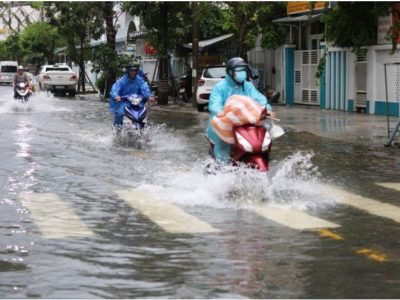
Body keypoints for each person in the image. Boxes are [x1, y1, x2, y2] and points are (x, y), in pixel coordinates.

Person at [207, 57, 276, 163]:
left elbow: (259, 99)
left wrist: (266, 109)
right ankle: (222, 167)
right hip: (224, 122)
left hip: (245, 121)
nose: (242, 73)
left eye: (243, 70)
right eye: (239, 71)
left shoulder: (248, 86)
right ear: (230, 72)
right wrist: (221, 112)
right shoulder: (220, 87)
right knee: (223, 142)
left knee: (264, 130)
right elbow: (214, 104)